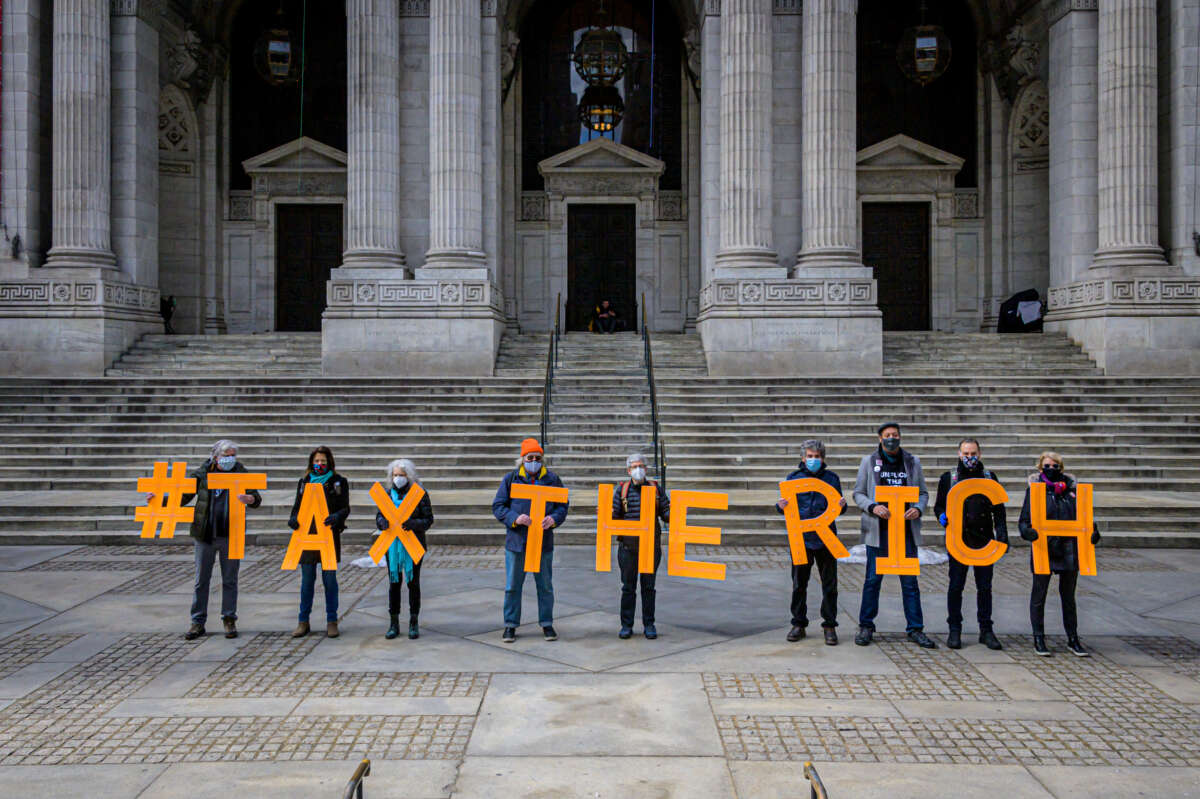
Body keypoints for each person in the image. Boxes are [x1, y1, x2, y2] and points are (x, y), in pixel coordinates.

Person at [156, 438, 262, 641]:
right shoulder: (202, 473)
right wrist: (160, 499)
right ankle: (197, 622)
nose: (229, 459)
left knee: (230, 579)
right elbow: (184, 496)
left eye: (232, 456)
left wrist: (251, 500)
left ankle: (229, 618)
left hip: (231, 533)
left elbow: (255, 497)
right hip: (205, 533)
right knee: (201, 580)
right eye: (226, 456)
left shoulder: (240, 472)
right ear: (215, 456)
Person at [853, 422, 936, 649]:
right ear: (880, 438)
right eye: (888, 435)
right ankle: (866, 625)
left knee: (910, 582)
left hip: (905, 531)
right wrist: (872, 506)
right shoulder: (869, 462)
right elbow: (858, 493)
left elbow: (923, 493)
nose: (892, 438)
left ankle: (915, 628)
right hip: (878, 532)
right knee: (872, 580)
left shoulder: (912, 461)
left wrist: (918, 508)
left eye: (895, 435)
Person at [1018, 452, 1100, 657]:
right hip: (1044, 549)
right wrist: (1028, 532)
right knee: (1039, 595)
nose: (1051, 469)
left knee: (1068, 597)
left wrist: (1093, 531)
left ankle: (1073, 638)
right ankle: (1039, 637)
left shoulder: (1072, 491)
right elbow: (1024, 520)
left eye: (1055, 466)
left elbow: (1085, 516)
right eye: (1047, 465)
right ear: (1040, 468)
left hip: (1069, 549)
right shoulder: (1035, 492)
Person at [492, 438, 568, 643]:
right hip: (517, 542)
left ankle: (546, 623)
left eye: (537, 458)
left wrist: (554, 519)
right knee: (512, 586)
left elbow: (563, 506)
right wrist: (514, 518)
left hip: (543, 542)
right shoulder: (511, 479)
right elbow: (498, 506)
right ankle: (510, 625)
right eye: (530, 457)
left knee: (545, 586)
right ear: (522, 459)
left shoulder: (552, 479)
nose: (534, 461)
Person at [933, 438, 1008, 650]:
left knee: (985, 587)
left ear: (980, 454)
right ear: (959, 454)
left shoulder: (989, 477)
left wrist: (1002, 533)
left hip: (984, 541)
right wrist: (942, 516)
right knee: (956, 586)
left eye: (973, 453)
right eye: (966, 454)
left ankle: (986, 630)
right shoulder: (949, 478)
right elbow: (938, 506)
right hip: (958, 541)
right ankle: (954, 629)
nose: (970, 458)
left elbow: (999, 511)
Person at [775, 439, 846, 646]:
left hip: (826, 538)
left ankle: (830, 625)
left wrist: (843, 505)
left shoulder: (832, 479)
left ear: (823, 458)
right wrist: (780, 506)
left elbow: (839, 506)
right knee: (799, 584)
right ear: (803, 458)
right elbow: (785, 508)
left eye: (817, 456)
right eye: (810, 456)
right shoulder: (793, 478)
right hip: (802, 539)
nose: (813, 460)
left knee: (830, 585)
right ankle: (798, 623)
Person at [288, 446, 351, 639]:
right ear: (311, 462)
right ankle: (303, 621)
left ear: (329, 462)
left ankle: (332, 620)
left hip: (328, 536)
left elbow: (345, 508)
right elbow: (297, 506)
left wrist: (337, 517)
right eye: (316, 461)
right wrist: (293, 518)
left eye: (323, 461)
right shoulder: (304, 482)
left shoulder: (338, 482)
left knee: (329, 580)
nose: (320, 464)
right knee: (307, 581)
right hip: (306, 536)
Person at [612, 453, 670, 640]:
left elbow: (665, 512)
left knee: (648, 587)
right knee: (628, 587)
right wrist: (606, 512)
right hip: (628, 548)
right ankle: (626, 625)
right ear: (628, 470)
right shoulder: (621, 490)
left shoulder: (655, 488)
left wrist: (675, 512)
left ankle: (649, 624)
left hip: (650, 546)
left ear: (646, 469)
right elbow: (614, 516)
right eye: (634, 466)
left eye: (641, 466)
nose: (638, 470)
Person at [376, 458, 434, 640]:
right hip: (392, 545)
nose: (398, 478)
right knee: (394, 583)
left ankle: (413, 621)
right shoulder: (386, 494)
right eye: (395, 475)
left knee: (412, 583)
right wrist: (382, 522)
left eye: (401, 475)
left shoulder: (420, 494)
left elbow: (428, 520)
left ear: (409, 476)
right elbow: (379, 516)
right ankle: (393, 622)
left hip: (413, 545)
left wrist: (413, 524)